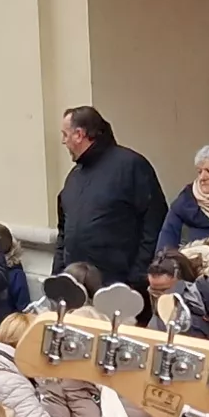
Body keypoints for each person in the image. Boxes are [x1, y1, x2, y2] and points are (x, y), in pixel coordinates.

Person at [52, 106, 167, 285]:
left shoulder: (131, 166)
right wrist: (58, 274)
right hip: (77, 285)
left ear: (79, 134)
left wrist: (137, 276)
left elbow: (154, 223)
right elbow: (63, 231)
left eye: (65, 135)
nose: (63, 141)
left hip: (120, 286)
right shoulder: (74, 176)